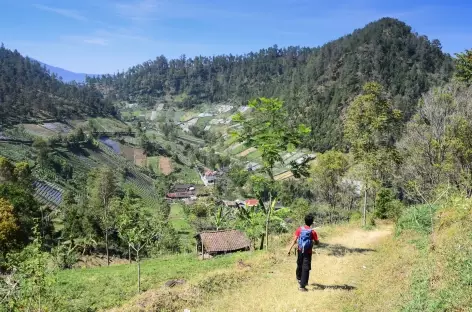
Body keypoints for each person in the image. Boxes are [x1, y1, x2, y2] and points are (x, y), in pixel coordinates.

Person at [287, 214, 319, 292]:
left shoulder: (299, 229)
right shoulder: (312, 232)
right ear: (311, 223)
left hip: (300, 250)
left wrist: (289, 249)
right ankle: (302, 286)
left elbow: (294, 240)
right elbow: (317, 242)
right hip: (308, 252)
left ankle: (299, 278)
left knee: (299, 264)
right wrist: (316, 241)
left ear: (305, 221)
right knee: (306, 267)